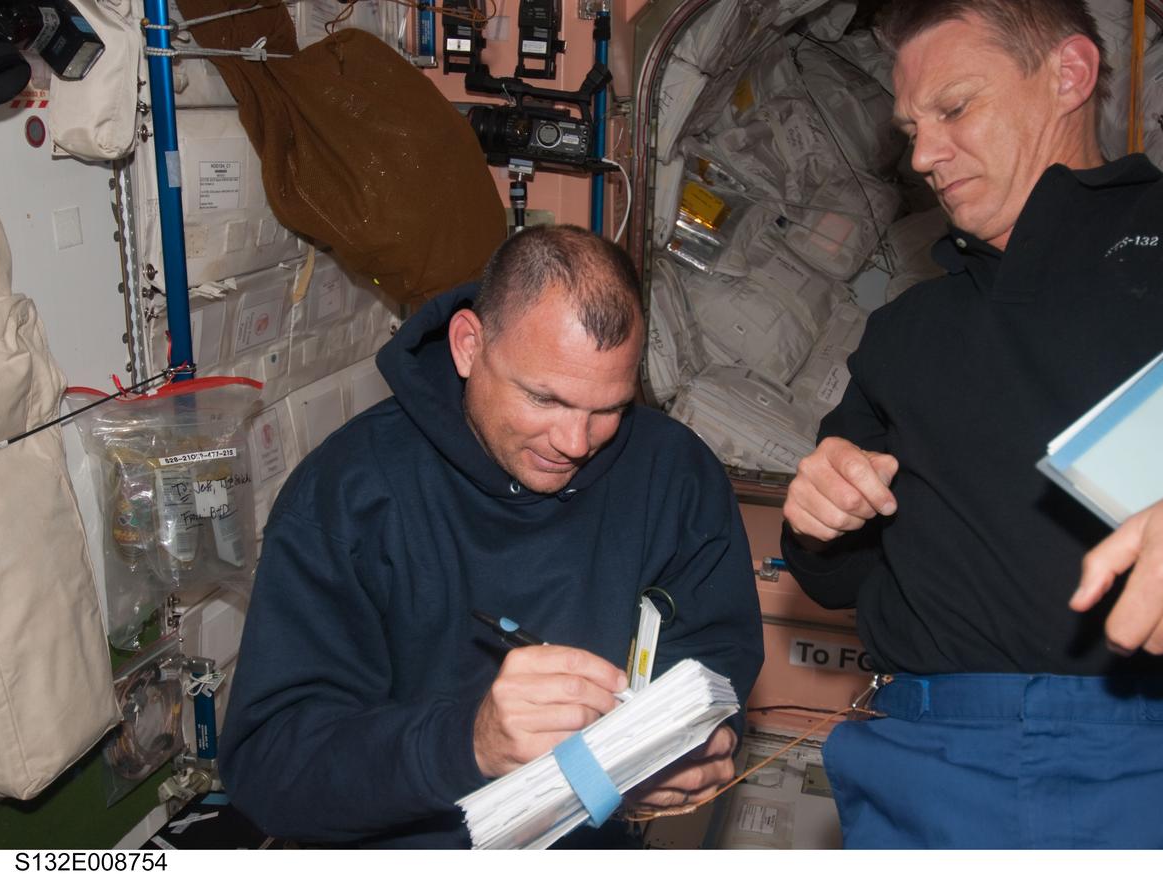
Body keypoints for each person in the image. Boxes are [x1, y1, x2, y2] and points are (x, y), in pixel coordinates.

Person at [780, 0, 1163, 849]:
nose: (923, 155)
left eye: (955, 108)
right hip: (924, 768)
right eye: (911, 126)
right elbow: (834, 577)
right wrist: (818, 511)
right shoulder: (904, 331)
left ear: (1069, 75)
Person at [219, 225, 764, 848]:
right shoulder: (346, 496)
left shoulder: (676, 475)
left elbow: (717, 654)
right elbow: (270, 769)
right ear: (468, 346)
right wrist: (464, 744)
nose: (576, 442)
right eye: (544, 398)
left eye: (609, 407)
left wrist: (696, 738)